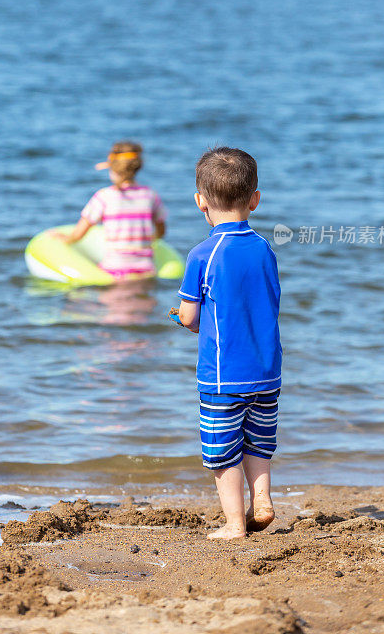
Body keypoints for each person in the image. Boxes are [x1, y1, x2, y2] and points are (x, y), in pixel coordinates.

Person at [175, 146, 282, 540]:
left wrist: (183, 319)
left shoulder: (202, 253)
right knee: (259, 444)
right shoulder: (265, 248)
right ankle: (264, 500)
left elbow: (189, 316)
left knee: (223, 453)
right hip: (267, 372)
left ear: (200, 202)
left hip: (223, 376)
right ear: (255, 200)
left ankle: (235, 524)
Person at [55, 142, 166, 280]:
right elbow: (161, 232)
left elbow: (78, 234)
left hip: (115, 272)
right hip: (146, 271)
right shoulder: (150, 195)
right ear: (138, 167)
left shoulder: (104, 196)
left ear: (112, 169)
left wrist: (65, 239)